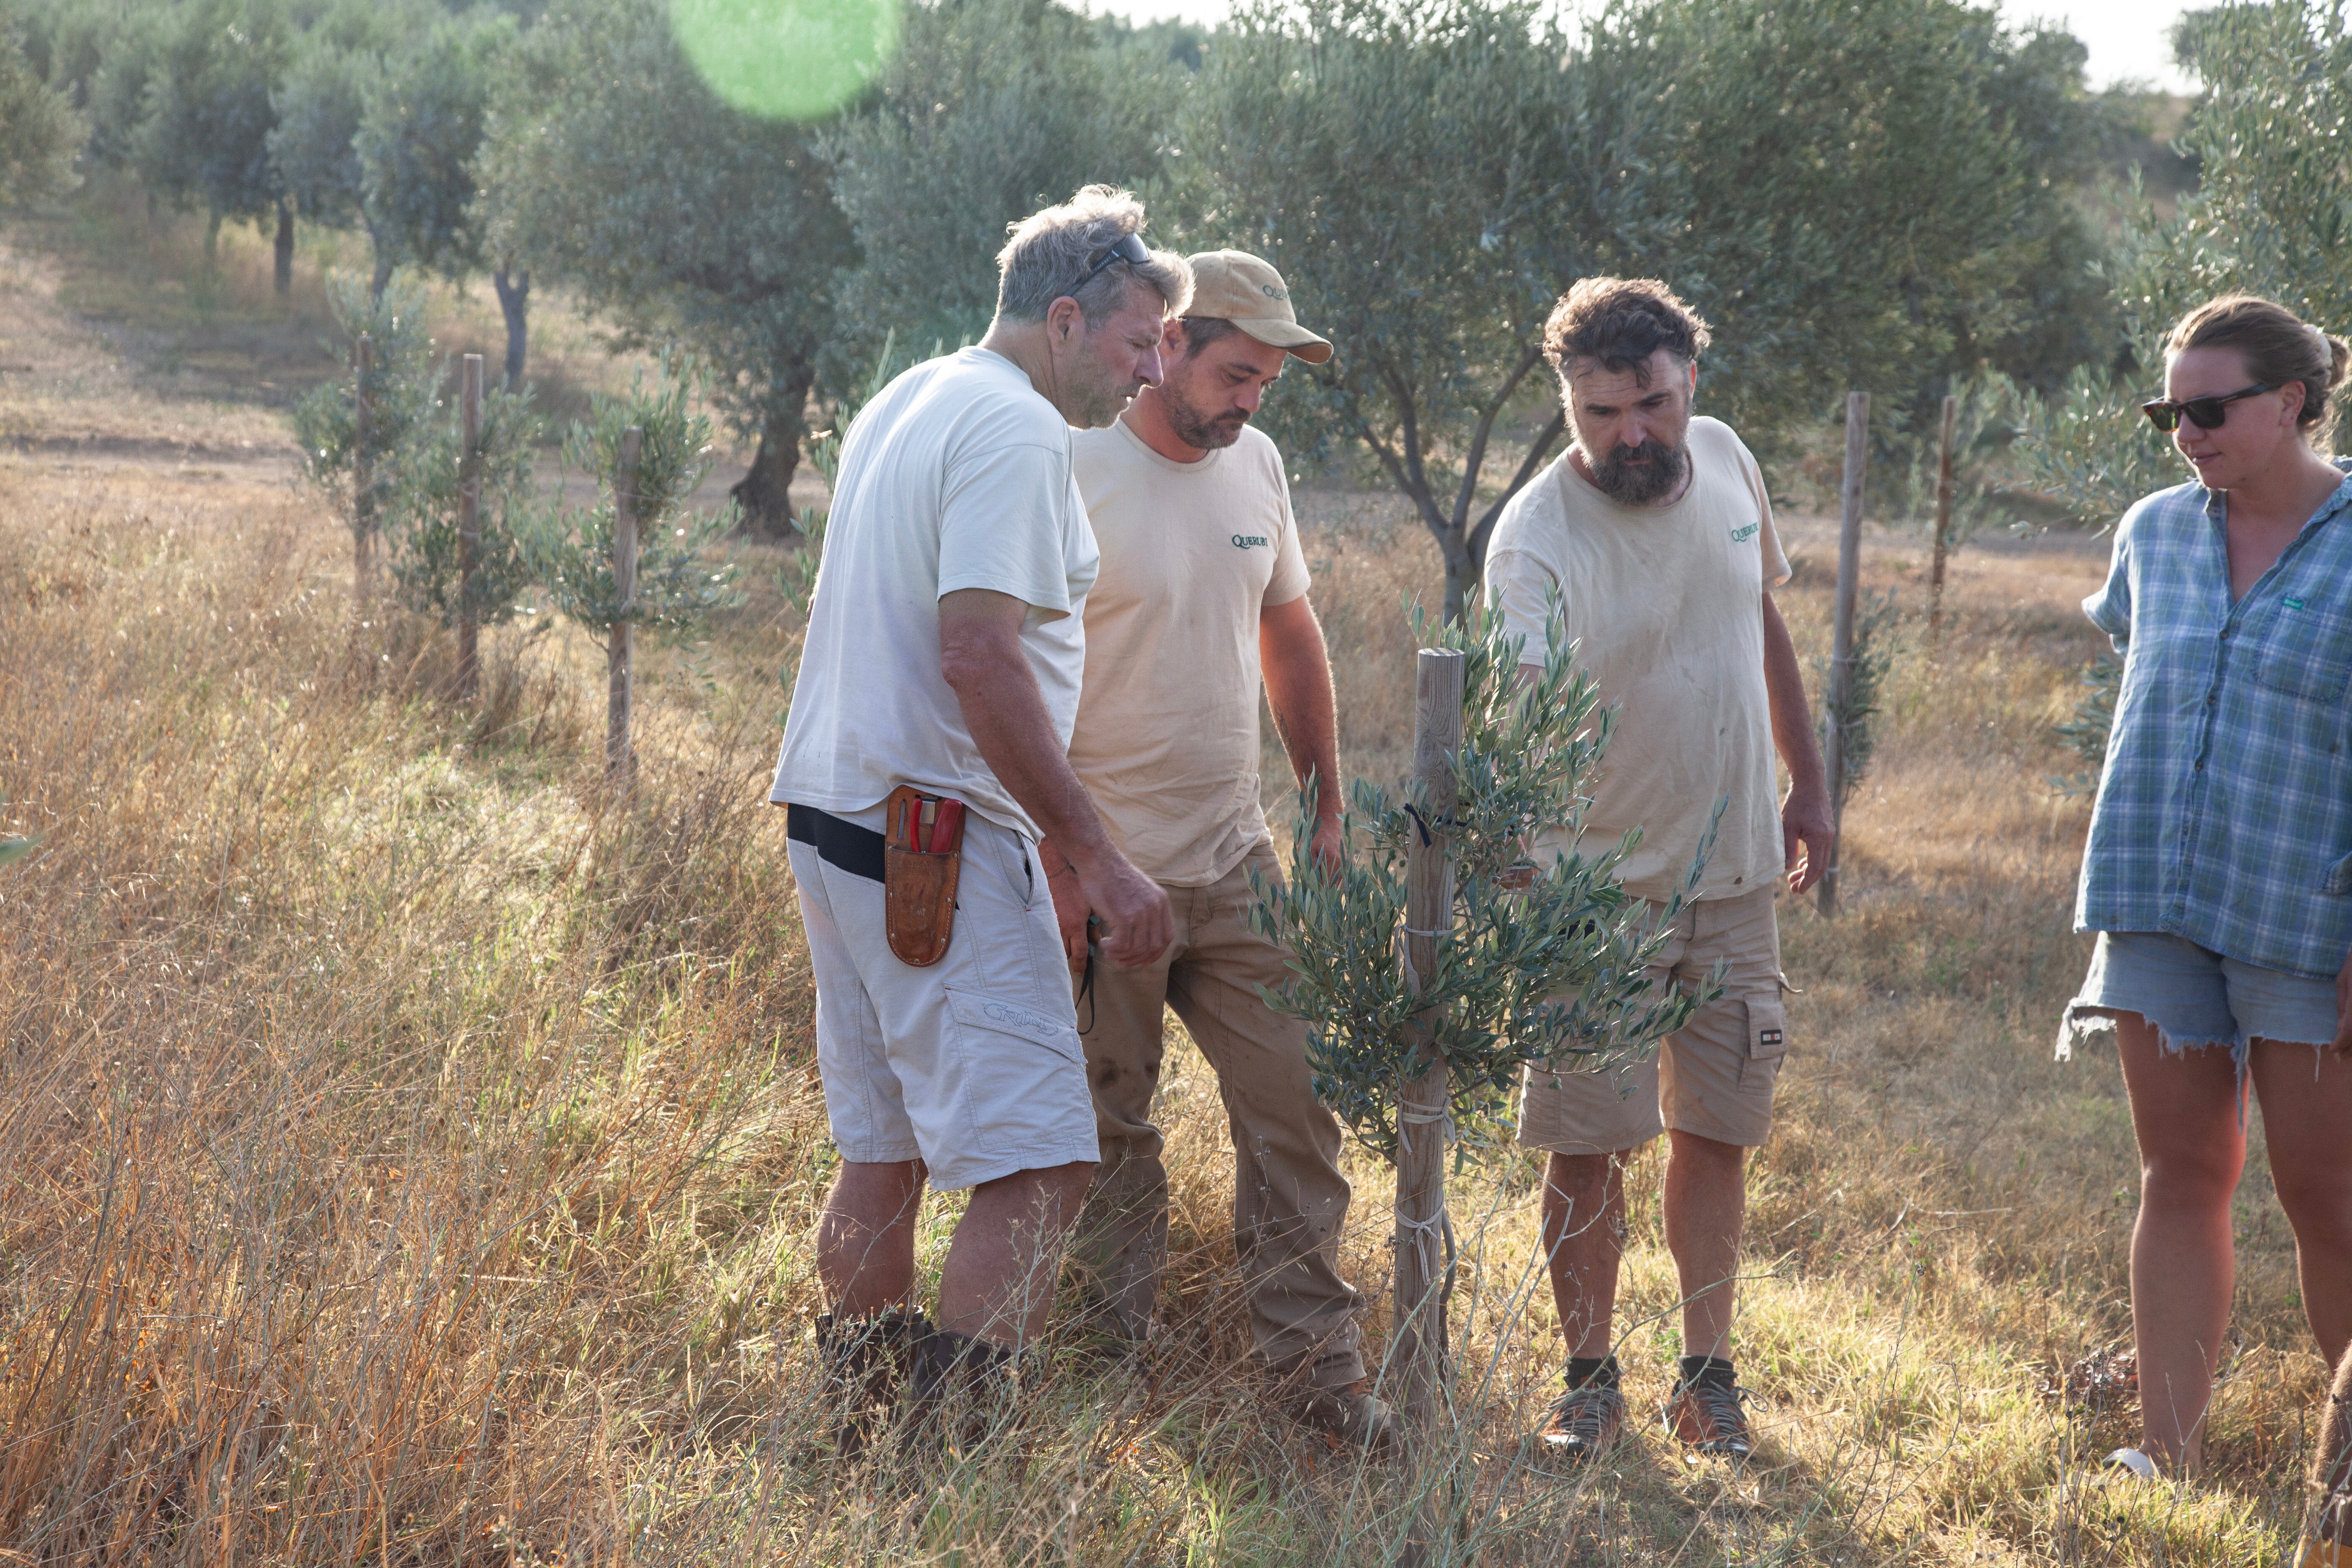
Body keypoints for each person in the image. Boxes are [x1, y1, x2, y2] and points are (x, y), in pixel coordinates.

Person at [768, 186, 1189, 1429]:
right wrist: (1094, 856)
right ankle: (951, 1456)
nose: (1148, 373)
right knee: (1047, 1165)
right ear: (1064, 320)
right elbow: (979, 657)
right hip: (932, 838)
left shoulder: (911, 394)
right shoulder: (1014, 432)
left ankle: (857, 1426)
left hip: (840, 820)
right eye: (1135, 344)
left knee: (885, 1151)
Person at [1040, 250, 1393, 1451]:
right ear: (1170, 344)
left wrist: (1327, 799)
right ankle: (1102, 1367)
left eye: (1270, 384)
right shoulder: (1071, 462)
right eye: (1237, 373)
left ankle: (1318, 1376)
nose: (1251, 402)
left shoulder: (1260, 467)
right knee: (1105, 1127)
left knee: (1298, 1111)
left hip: (1238, 860)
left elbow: (1287, 631)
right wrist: (1062, 860)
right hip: (1102, 874)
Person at [1481, 276, 1833, 1463]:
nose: (1632, 434)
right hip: (1597, 892)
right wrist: (1514, 867)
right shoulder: (1534, 535)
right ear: (1567, 405)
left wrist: (1811, 784)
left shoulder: (1728, 460)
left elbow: (1763, 620)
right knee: (1590, 1142)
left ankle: (1707, 1376)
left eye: (1654, 404)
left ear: (1692, 386)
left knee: (1719, 1133)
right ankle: (1588, 1383)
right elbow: (1511, 713)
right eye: (1601, 413)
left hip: (1735, 881)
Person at [2057, 293, 2352, 1478]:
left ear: (2290, 403)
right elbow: (2152, 673)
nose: (2186, 432)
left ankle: (2342, 1477)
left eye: (2210, 408)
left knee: (2325, 1193)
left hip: (2310, 915)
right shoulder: (2153, 532)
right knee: (2180, 1173)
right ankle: (2166, 1453)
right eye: (2168, 412)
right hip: (2157, 897)